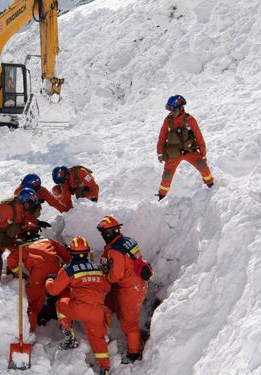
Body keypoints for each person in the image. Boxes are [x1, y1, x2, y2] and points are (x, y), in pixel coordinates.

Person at [45, 236, 111, 375]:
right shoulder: (97, 269)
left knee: (60, 303)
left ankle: (70, 338)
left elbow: (53, 290)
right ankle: (105, 367)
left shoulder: (69, 269)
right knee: (97, 338)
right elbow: (106, 288)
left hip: (79, 308)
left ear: (70, 252)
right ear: (87, 252)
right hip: (97, 310)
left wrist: (50, 279)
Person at [97, 215, 148, 364]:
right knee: (113, 303)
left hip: (131, 289)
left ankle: (133, 354)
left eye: (103, 234)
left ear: (108, 234)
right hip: (136, 283)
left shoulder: (115, 251)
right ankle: (109, 323)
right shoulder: (128, 241)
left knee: (129, 323)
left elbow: (115, 277)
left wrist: (105, 275)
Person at [6, 222, 70, 332]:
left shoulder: (21, 248)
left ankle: (31, 332)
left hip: (37, 276)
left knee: (34, 305)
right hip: (57, 272)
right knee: (64, 298)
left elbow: (11, 261)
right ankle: (67, 328)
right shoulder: (49, 241)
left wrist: (20, 274)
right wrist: (66, 264)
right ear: (37, 231)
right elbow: (65, 254)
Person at [156, 94, 214, 201]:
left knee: (204, 167)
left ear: (181, 108)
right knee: (167, 176)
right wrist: (160, 153)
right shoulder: (168, 121)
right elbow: (162, 137)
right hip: (173, 154)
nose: (171, 113)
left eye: (173, 110)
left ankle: (211, 185)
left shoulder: (190, 120)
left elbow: (199, 137)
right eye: (169, 109)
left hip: (190, 151)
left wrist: (203, 154)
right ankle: (161, 196)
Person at [0, 188, 39, 277]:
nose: (31, 207)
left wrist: (38, 224)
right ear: (24, 200)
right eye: (31, 204)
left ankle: (13, 270)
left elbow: (27, 220)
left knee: (21, 252)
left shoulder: (23, 210)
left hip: (8, 237)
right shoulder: (7, 209)